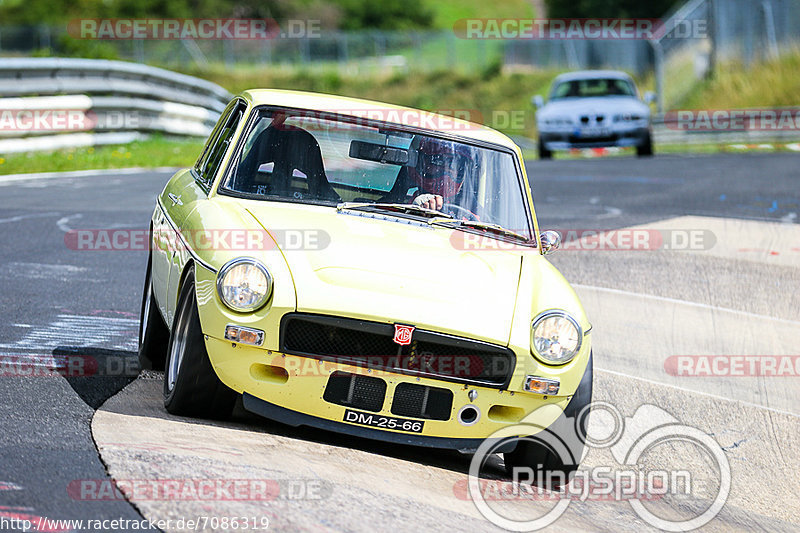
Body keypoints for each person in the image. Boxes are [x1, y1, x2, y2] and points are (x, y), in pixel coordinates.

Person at [407, 137, 473, 211]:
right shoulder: (402, 203)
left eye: (454, 165)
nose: (447, 171)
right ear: (420, 162)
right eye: (437, 162)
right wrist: (413, 210)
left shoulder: (471, 211)